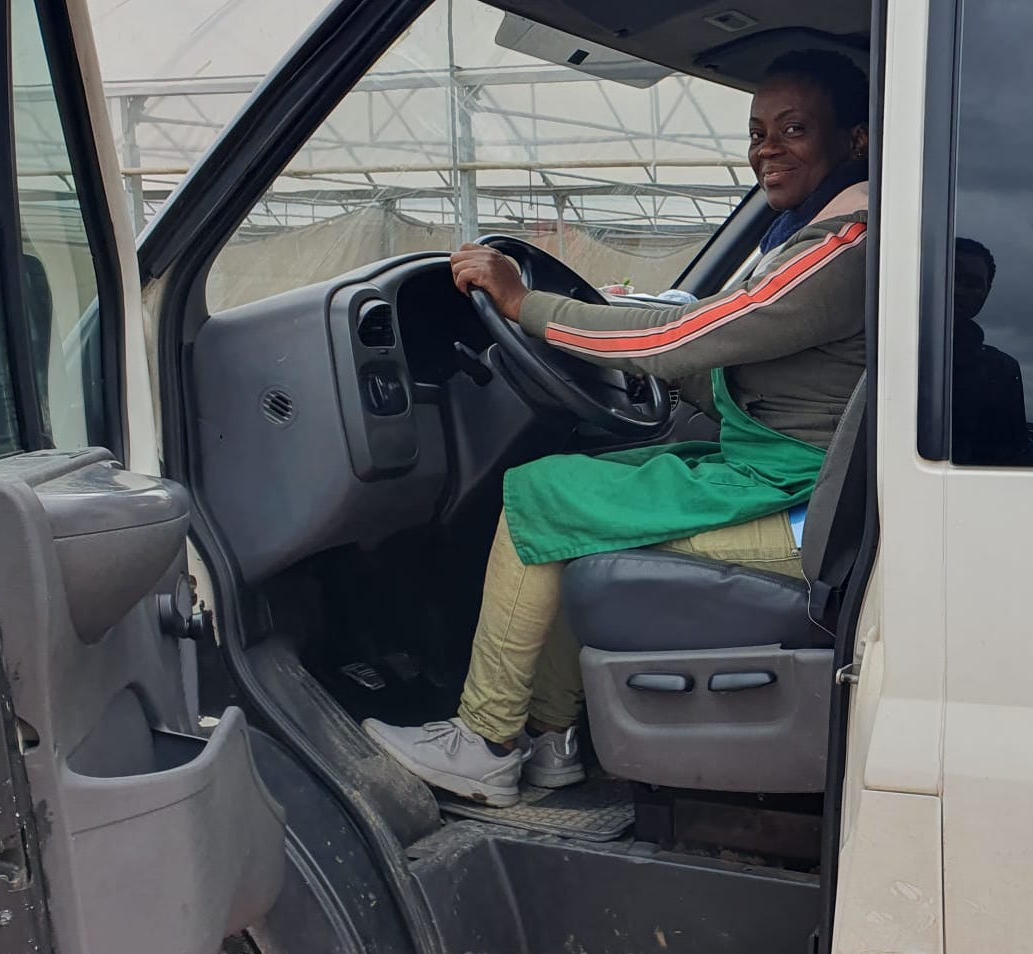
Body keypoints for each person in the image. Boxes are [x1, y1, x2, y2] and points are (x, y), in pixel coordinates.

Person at [362, 50, 871, 807]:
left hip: (803, 509)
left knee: (540, 497)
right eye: (757, 132)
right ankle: (552, 739)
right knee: (577, 504)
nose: (768, 148)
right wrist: (635, 357)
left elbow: (682, 337)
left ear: (856, 140)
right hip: (792, 478)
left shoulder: (843, 245)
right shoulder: (817, 237)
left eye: (793, 129)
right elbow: (743, 364)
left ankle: (485, 742)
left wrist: (526, 307)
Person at [949, 238, 1028, 464]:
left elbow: (1014, 454)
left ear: (986, 292)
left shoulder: (1002, 370)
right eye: (954, 277)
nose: (960, 290)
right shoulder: (897, 348)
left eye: (973, 283)